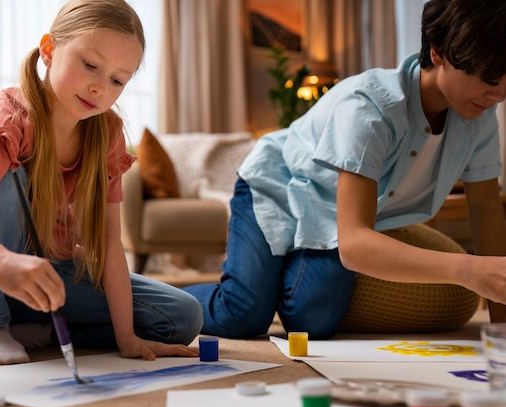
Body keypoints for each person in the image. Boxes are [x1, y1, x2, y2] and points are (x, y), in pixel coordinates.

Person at [184, 0, 506, 339]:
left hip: (332, 211)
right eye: (487, 77)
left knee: (313, 323)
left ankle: (277, 272)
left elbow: (486, 210)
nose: (499, 94)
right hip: (276, 186)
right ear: (438, 53)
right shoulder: (371, 108)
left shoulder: (479, 115)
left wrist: (502, 327)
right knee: (243, 314)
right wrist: (469, 270)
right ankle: (147, 298)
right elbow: (353, 245)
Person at [0, 0, 202, 365]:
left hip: (41, 274)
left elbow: (111, 243)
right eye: (90, 65)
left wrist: (127, 338)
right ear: (49, 50)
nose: (99, 88)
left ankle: (36, 330)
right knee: (4, 172)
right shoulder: (8, 117)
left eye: (117, 80)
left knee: (182, 316)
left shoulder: (107, 132)